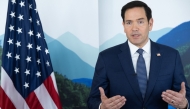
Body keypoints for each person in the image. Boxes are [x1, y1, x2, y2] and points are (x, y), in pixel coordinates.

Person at [87, 1, 190, 109]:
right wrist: (101, 107)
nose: (134, 28)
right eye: (129, 22)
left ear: (150, 24)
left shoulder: (171, 56)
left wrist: (185, 103)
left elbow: (185, 94)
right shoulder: (107, 57)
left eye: (140, 22)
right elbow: (93, 100)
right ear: (124, 26)